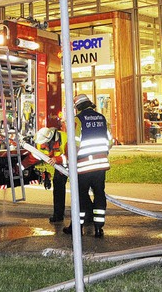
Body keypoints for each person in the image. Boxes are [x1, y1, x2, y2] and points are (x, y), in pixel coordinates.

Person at [63, 94, 110, 239]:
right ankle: (98, 228)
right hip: (100, 165)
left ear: (77, 107)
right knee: (99, 195)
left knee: (81, 198)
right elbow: (110, 141)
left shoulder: (78, 120)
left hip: (83, 166)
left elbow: (74, 144)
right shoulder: (102, 118)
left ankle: (77, 227)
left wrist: (70, 162)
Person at [34, 127, 68, 223]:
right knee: (58, 184)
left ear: (50, 140)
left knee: (81, 188)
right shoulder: (41, 143)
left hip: (72, 163)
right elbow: (38, 158)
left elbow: (71, 154)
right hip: (60, 166)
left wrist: (58, 160)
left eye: (45, 143)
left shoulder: (65, 138)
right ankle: (58, 215)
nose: (43, 145)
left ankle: (88, 213)